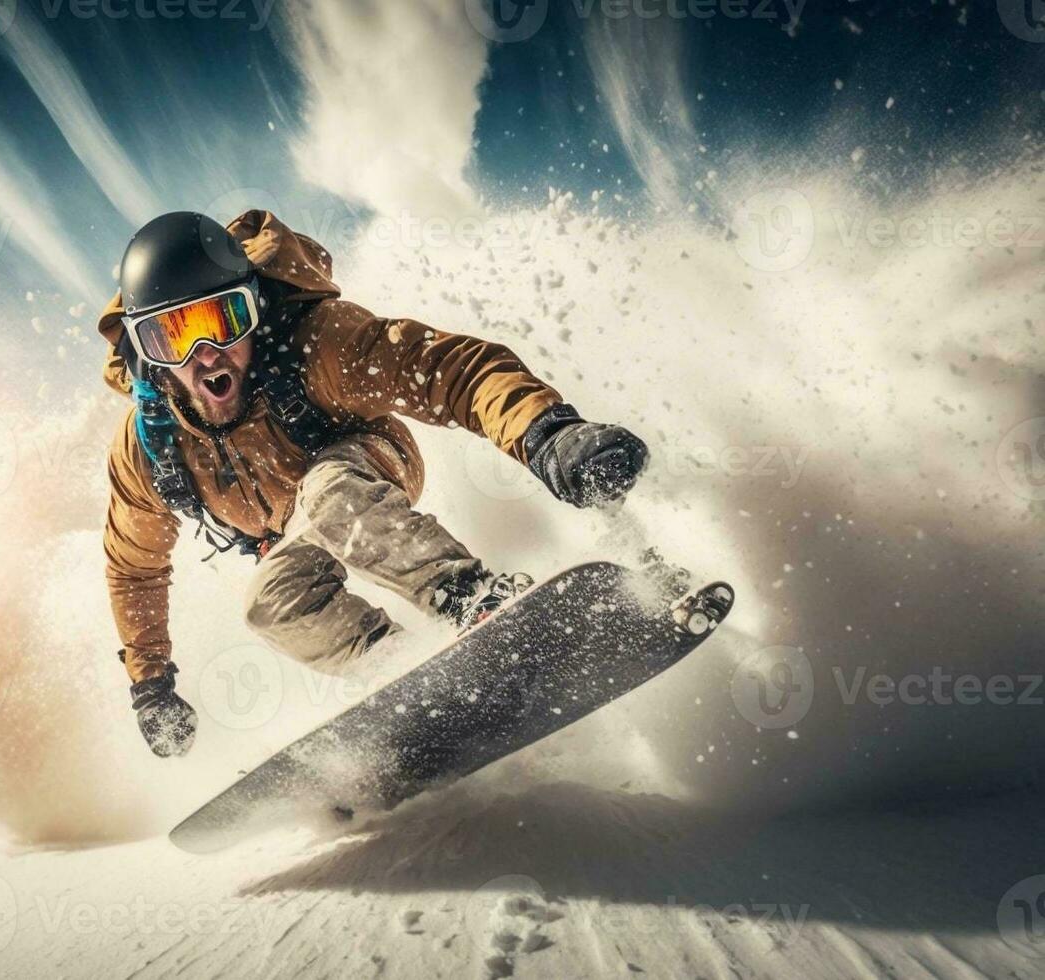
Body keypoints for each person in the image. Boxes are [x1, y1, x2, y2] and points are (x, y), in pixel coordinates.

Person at [97, 210, 648, 757]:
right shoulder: (151, 449)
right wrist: (151, 686)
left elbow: (447, 369)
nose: (206, 355)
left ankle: (471, 597)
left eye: (223, 321)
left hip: (365, 468)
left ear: (255, 310)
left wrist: (546, 432)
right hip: (294, 526)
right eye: (172, 337)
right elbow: (133, 568)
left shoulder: (316, 347)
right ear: (147, 356)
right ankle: (398, 668)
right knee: (270, 604)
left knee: (329, 493)